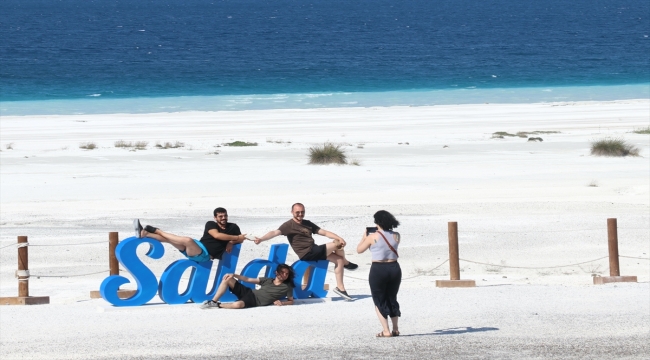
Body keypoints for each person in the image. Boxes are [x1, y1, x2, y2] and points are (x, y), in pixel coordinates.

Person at [254, 203, 357, 301]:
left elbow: (324, 232)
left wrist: (339, 237)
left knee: (339, 260)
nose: (300, 214)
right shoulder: (289, 225)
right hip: (307, 253)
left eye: (302, 212)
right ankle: (346, 263)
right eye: (297, 212)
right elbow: (274, 232)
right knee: (337, 244)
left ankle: (341, 288)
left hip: (314, 250)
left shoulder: (307, 223)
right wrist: (261, 239)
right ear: (292, 212)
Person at [133, 207, 247, 263]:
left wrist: (232, 241)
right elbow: (216, 235)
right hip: (198, 246)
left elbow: (241, 239)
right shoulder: (211, 224)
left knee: (187, 239)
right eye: (220, 216)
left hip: (205, 255)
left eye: (225, 216)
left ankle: (158, 230)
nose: (223, 218)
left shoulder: (233, 227)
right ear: (215, 218)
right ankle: (145, 233)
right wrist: (235, 238)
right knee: (170, 240)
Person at [357, 210, 402, 338]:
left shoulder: (373, 237)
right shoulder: (396, 235)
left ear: (377, 222)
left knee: (379, 299)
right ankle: (396, 329)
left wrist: (364, 237)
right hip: (394, 267)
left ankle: (386, 330)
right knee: (392, 297)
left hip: (379, 268)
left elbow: (359, 250)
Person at [200, 264, 295, 309]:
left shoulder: (287, 286)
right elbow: (248, 279)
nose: (284, 275)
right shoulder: (267, 280)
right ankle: (213, 301)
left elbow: (291, 301)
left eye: (286, 274)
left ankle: (217, 305)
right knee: (228, 278)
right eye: (282, 273)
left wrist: (282, 303)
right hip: (249, 292)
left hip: (255, 301)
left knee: (238, 305)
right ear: (277, 272)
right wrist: (234, 275)